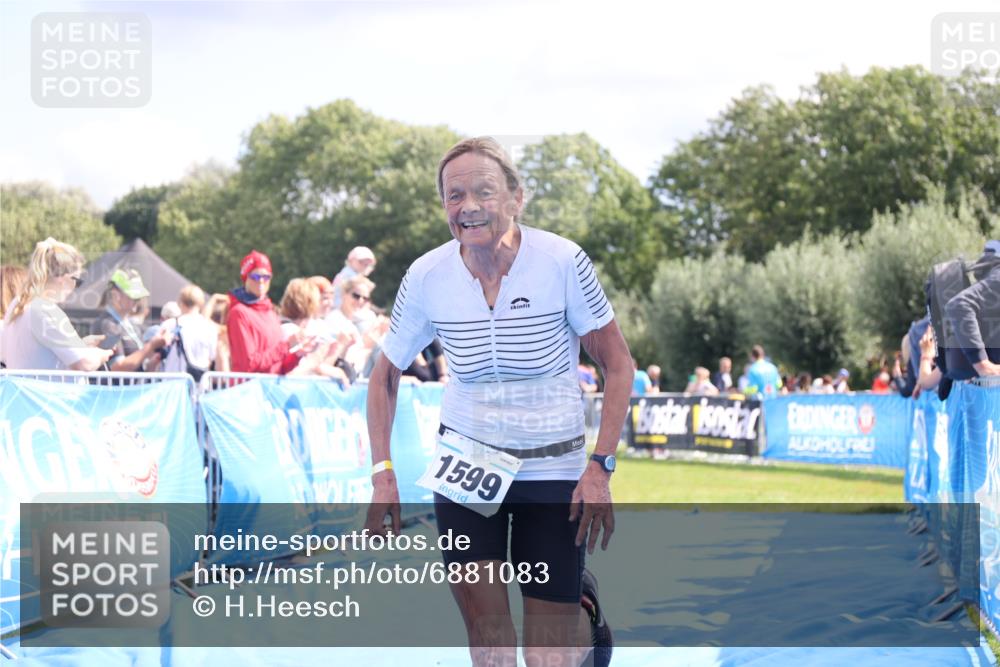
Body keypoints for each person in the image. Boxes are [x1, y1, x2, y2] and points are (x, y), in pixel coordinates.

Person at [364, 137, 631, 667]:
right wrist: (382, 473)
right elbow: (384, 376)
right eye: (453, 195)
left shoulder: (560, 260)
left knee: (546, 658)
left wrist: (600, 466)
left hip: (551, 465)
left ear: (516, 198)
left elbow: (619, 365)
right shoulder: (426, 276)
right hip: (467, 463)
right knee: (491, 648)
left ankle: (583, 610)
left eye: (483, 191)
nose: (467, 206)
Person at [2, 239, 112, 371]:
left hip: (25, 390)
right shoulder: (46, 309)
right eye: (77, 280)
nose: (75, 287)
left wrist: (81, 345)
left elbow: (38, 352)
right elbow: (84, 363)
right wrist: (101, 355)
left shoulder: (18, 303)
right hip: (47, 391)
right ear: (63, 278)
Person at [226, 250, 312, 374]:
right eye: (255, 277)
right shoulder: (239, 313)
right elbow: (249, 365)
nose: (261, 281)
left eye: (266, 277)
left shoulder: (270, 311)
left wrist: (297, 355)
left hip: (268, 388)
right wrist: (287, 346)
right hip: (249, 389)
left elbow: (278, 368)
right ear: (245, 278)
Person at [91, 269, 171, 372]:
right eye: (133, 296)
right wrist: (151, 346)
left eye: (138, 297)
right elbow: (117, 368)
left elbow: (141, 368)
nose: (137, 301)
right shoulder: (106, 325)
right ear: (116, 295)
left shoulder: (131, 326)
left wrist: (157, 355)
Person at [160, 285, 217, 378]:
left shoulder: (169, 325)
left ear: (180, 302)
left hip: (172, 383)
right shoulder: (210, 327)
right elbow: (211, 357)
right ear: (201, 303)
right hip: (200, 383)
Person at [203, 293, 232, 372]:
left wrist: (213, 299)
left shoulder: (222, 330)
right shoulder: (234, 330)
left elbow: (204, 320)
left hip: (222, 378)